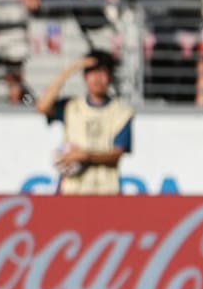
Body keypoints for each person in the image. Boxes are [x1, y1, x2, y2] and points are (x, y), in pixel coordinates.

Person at [35, 50, 133, 194]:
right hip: (72, 190)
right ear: (85, 76)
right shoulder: (71, 106)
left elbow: (116, 155)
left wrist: (86, 156)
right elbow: (42, 107)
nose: (97, 78)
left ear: (110, 77)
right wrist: (69, 70)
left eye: (103, 73)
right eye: (93, 73)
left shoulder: (121, 112)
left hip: (106, 191)